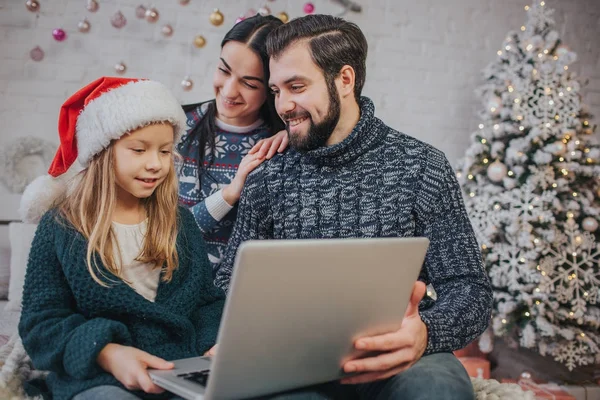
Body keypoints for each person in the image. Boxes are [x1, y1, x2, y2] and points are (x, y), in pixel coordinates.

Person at [215, 14, 493, 400]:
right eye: (277, 90)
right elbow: (228, 282)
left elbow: (470, 289)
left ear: (344, 79)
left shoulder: (421, 166)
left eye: (296, 86)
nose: (283, 105)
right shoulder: (268, 177)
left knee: (436, 388)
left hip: (397, 357)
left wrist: (426, 332)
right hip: (291, 363)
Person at [18, 77, 224, 400]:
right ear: (102, 152)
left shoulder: (180, 224)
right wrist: (108, 353)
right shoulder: (61, 226)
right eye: (139, 150)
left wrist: (215, 344)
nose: (155, 164)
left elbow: (207, 304)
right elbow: (41, 324)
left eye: (166, 151)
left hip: (177, 371)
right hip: (98, 377)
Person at [177, 14, 288, 272]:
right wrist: (229, 194)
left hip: (245, 294)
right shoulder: (175, 126)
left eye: (249, 83)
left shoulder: (279, 145)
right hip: (175, 283)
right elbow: (162, 233)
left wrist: (296, 133)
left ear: (272, 89)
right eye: (223, 70)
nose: (228, 91)